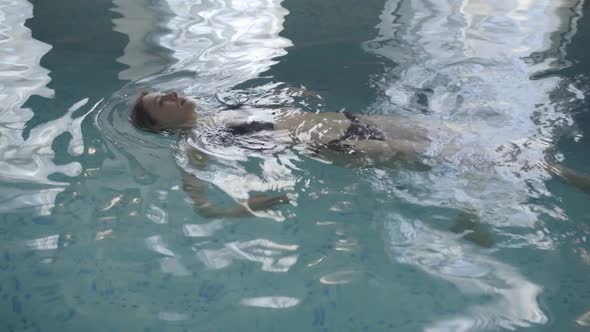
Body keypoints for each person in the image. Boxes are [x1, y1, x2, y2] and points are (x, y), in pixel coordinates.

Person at [129, 90, 590, 237]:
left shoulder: (224, 108)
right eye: (160, 103)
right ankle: (469, 215)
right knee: (456, 157)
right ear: (159, 124)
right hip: (339, 147)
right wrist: (241, 208)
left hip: (350, 121)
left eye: (165, 93)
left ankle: (563, 175)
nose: (171, 95)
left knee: (466, 139)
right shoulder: (195, 140)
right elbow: (200, 201)